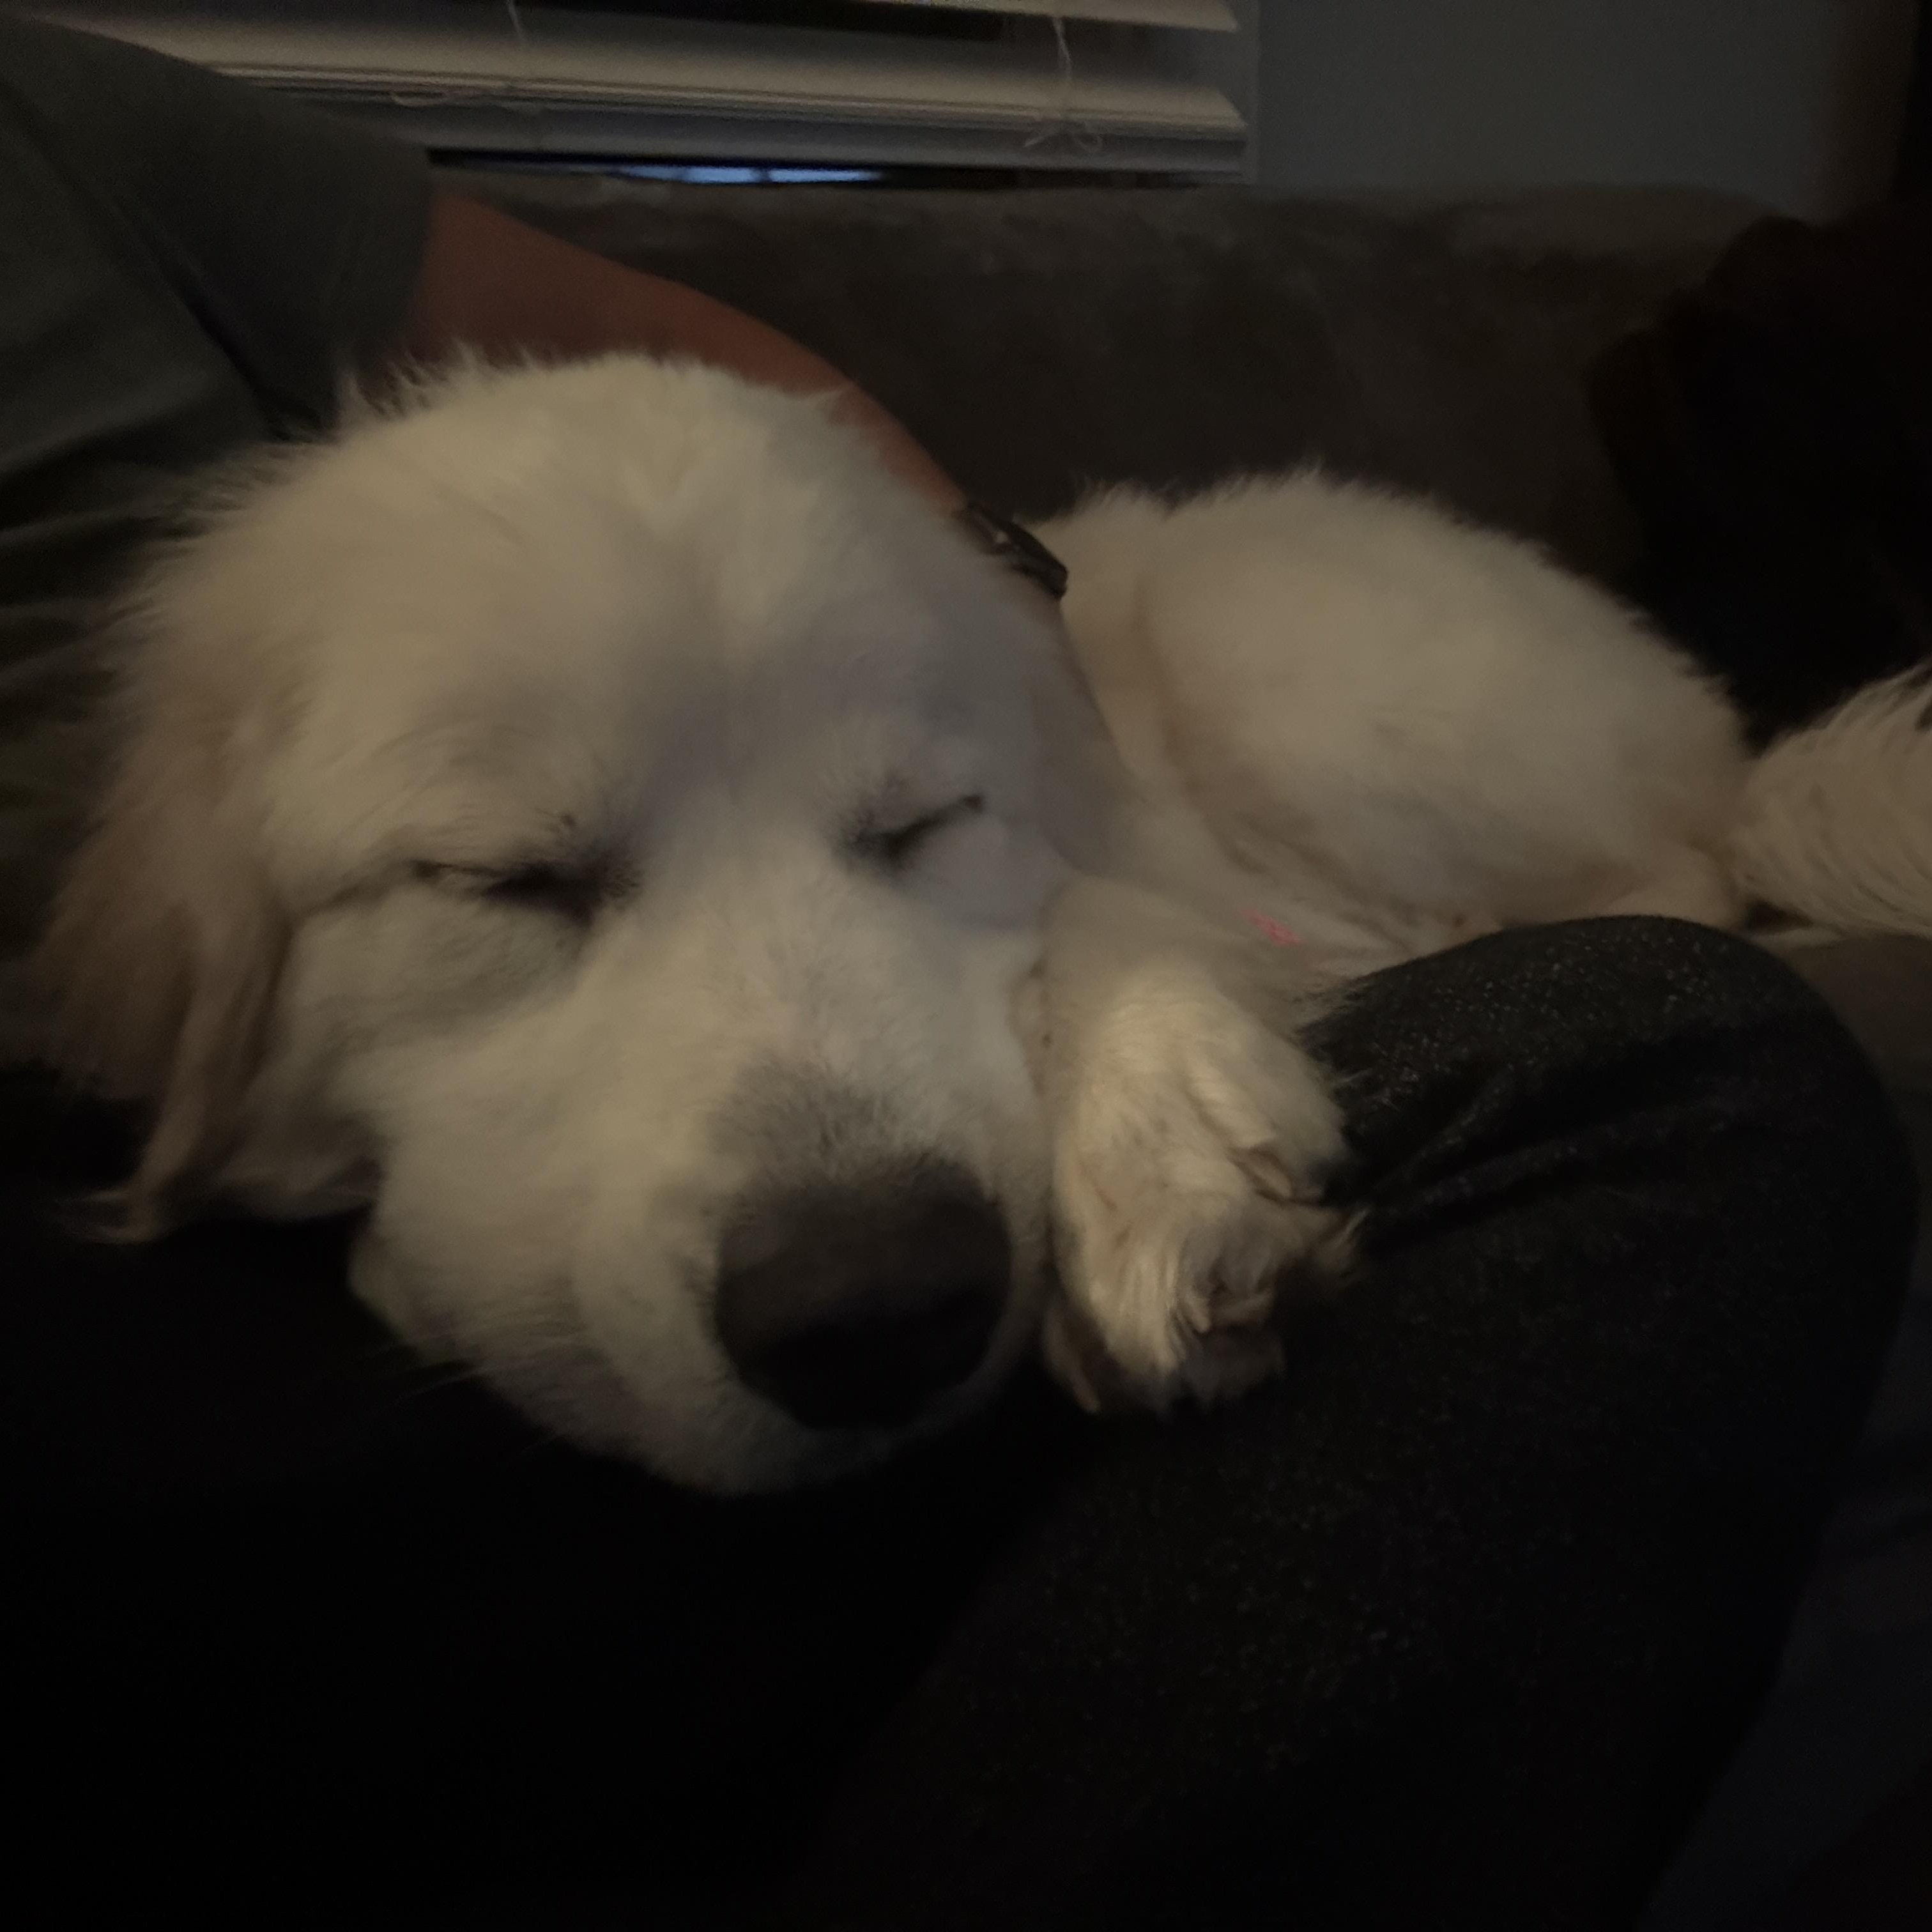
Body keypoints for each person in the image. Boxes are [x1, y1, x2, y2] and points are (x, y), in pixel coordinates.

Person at [0, 17, 1914, 1929]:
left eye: (908, 826)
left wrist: (1010, 694)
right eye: (518, 876)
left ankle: (1647, 883)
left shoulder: (72, 114)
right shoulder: (213, 794)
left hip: (1292, 730)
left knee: (1671, 1043)